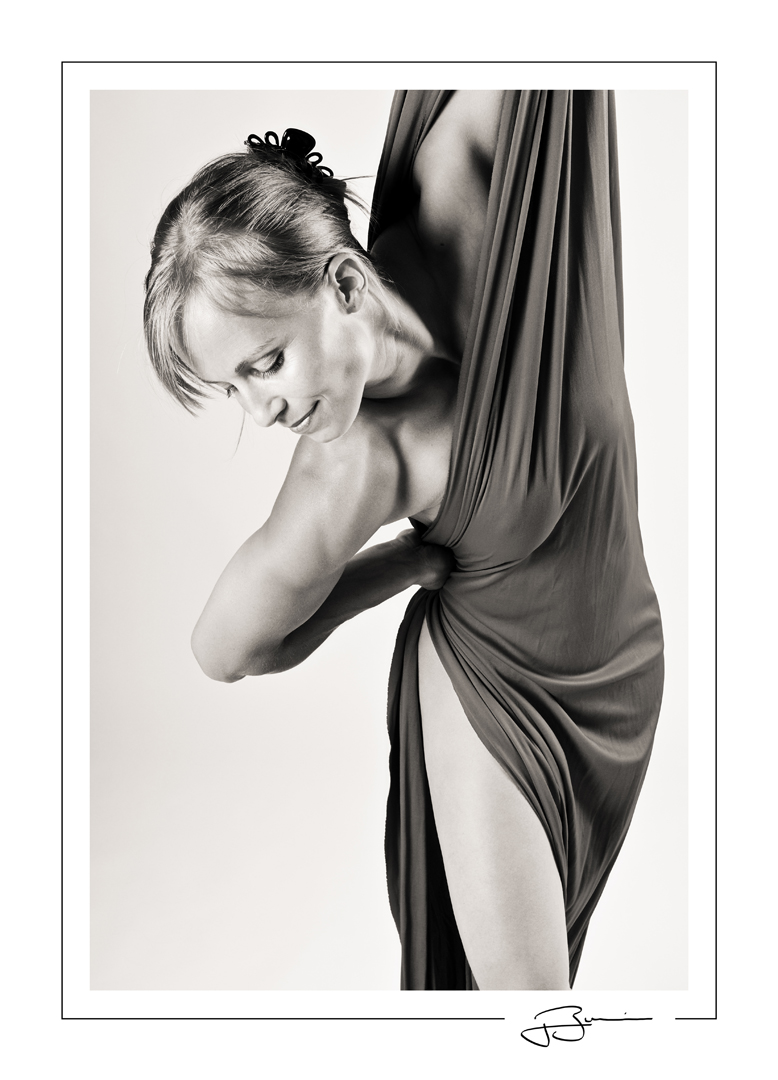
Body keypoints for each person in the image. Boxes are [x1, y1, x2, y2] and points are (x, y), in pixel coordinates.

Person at [144, 90, 664, 991]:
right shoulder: (351, 465)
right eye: (233, 389)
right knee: (530, 1022)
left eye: (265, 364)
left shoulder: (469, 180)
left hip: (619, 659)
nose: (262, 411)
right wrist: (391, 567)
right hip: (495, 700)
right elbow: (223, 650)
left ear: (345, 285)